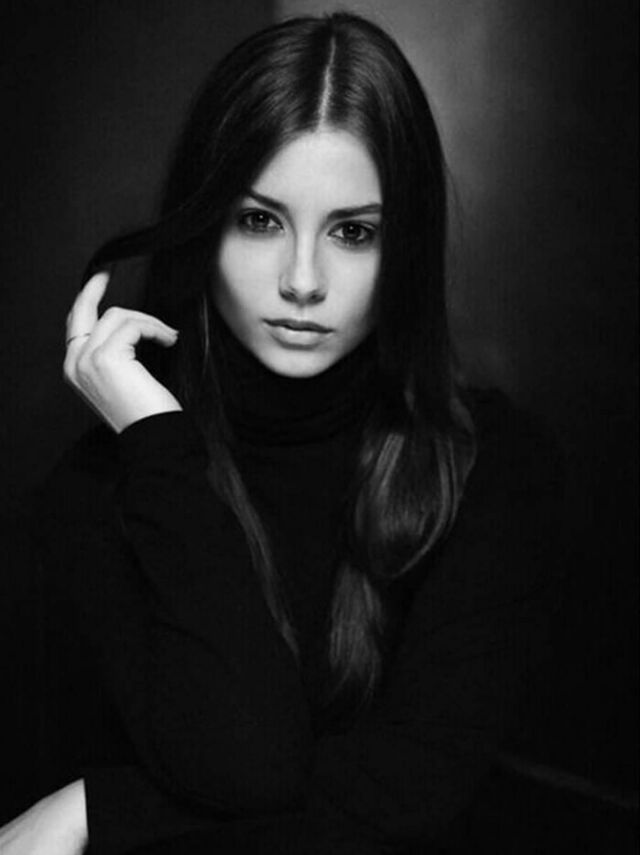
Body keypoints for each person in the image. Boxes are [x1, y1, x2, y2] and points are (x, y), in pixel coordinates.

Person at [1, 11, 563, 855]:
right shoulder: (100, 491)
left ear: (405, 247)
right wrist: (156, 437)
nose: (303, 280)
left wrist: (99, 811)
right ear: (202, 224)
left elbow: (406, 801)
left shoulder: (492, 469)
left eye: (353, 231)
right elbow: (244, 765)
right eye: (259, 220)